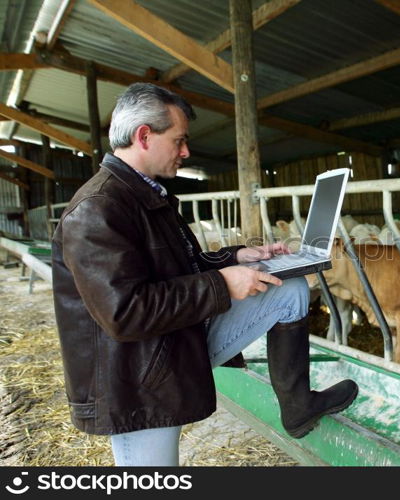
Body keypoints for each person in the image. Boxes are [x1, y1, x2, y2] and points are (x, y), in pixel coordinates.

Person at [51, 82, 358, 466]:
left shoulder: (144, 194)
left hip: (169, 342)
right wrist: (222, 283)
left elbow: (180, 268)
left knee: (289, 287)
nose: (186, 152)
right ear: (144, 136)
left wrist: (238, 257)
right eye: (179, 140)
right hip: (136, 374)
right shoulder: (98, 208)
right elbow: (125, 313)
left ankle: (298, 406)